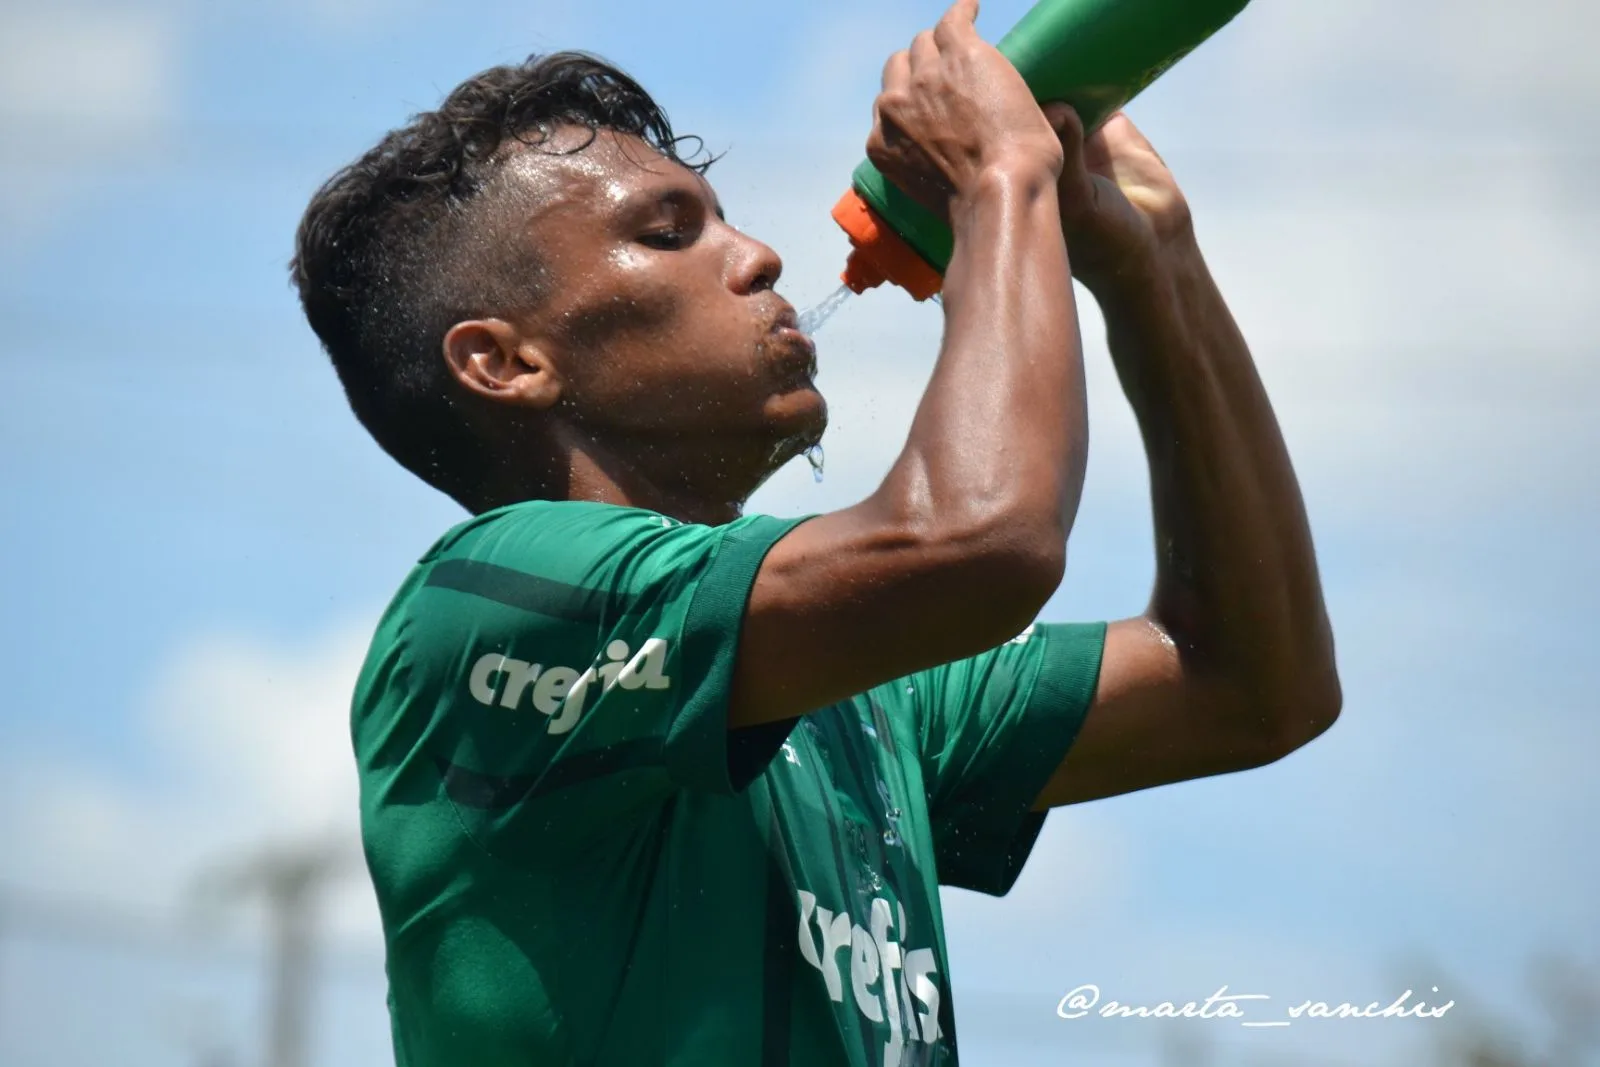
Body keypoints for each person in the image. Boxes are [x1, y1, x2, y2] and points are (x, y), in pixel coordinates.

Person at [290, 1, 1340, 1063]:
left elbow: (1248, 687)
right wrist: (998, 180)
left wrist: (1149, 258)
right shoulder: (491, 604)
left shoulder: (849, 691)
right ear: (506, 363)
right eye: (666, 233)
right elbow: (980, 542)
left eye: (721, 217)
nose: (757, 256)